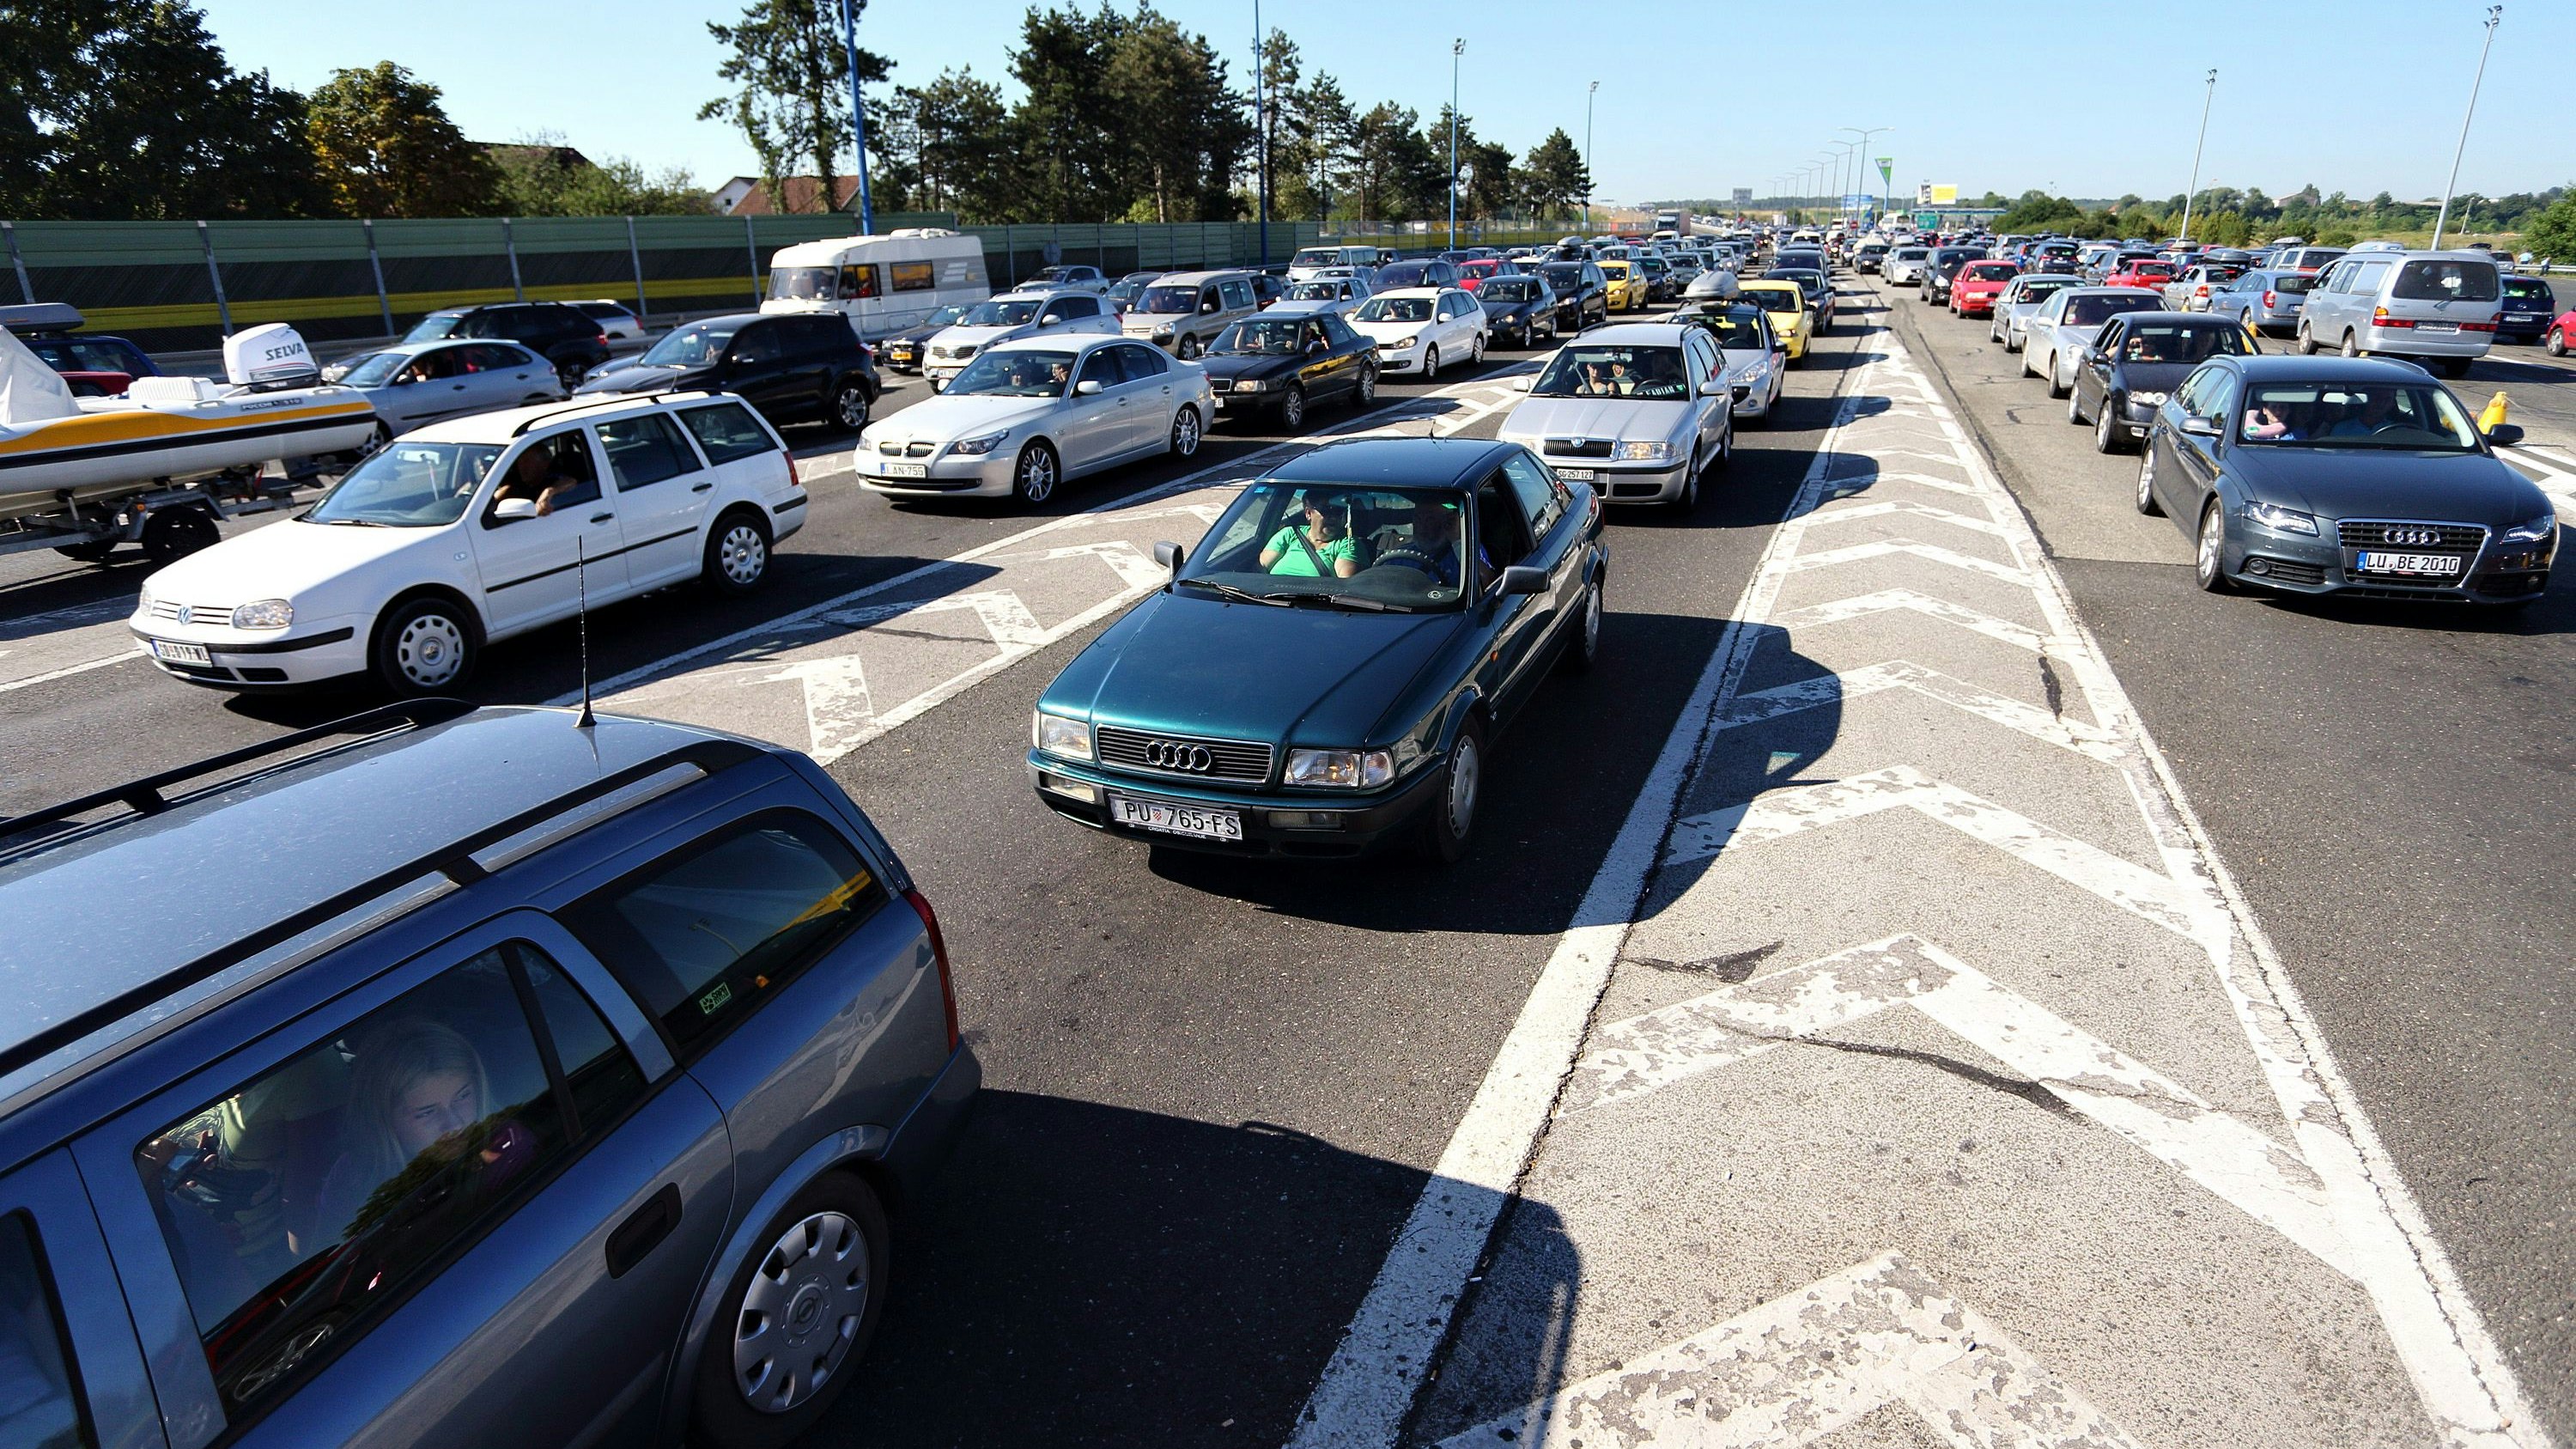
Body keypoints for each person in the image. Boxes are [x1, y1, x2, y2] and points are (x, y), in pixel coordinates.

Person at [315, 1019, 534, 1241]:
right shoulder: (353, 1178)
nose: (454, 1124)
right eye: (426, 1113)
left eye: (463, 1096)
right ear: (384, 1122)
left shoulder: (507, 1147)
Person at [1261, 491, 1364, 578]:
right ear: (1308, 513)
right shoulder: (1289, 534)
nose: (1333, 517)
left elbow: (1346, 585)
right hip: (1271, 595)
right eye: (1326, 510)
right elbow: (1261, 569)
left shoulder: (1347, 544)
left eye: (1338, 511)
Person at [492, 445, 580, 516]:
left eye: (527, 461)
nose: (522, 466)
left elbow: (571, 481)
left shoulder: (551, 479)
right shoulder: (516, 482)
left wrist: (549, 492)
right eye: (520, 461)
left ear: (545, 464)